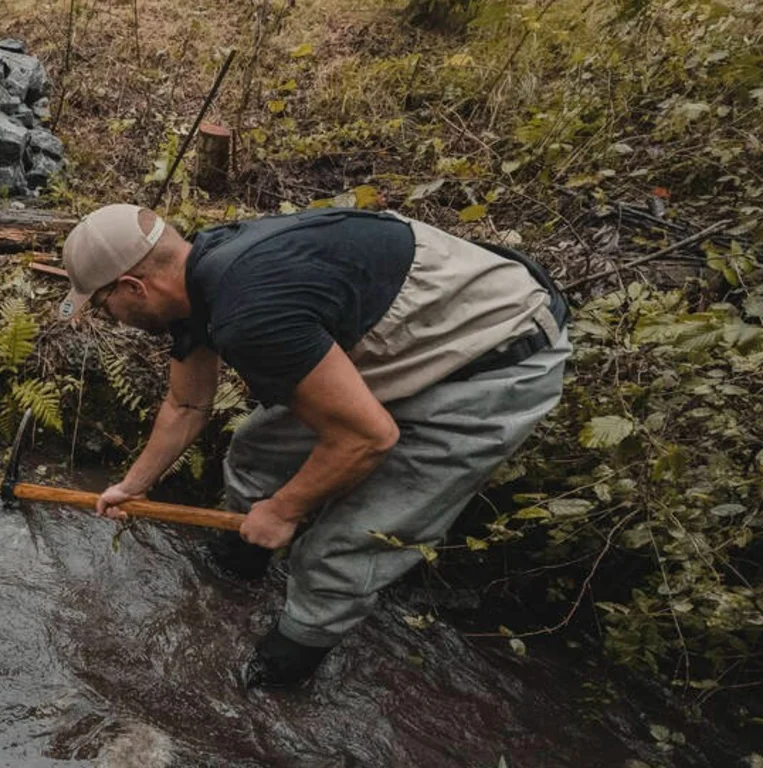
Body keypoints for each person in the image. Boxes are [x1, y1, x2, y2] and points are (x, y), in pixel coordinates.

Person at [59, 204, 569, 689]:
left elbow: (369, 437)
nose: (112, 318)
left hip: (497, 356)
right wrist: (133, 486)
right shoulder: (201, 275)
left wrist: (284, 509)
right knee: (259, 447)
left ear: (134, 286)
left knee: (340, 546)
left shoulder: (251, 311)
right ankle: (238, 563)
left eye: (104, 305)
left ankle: (281, 669)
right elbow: (187, 405)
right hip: (414, 335)